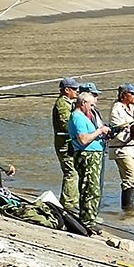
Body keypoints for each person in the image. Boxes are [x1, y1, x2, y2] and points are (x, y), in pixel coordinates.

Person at [68, 90, 111, 235]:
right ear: (83, 103)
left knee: (94, 189)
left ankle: (89, 219)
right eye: (91, 105)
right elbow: (83, 139)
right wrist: (99, 131)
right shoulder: (78, 117)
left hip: (94, 155)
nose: (92, 108)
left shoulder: (85, 117)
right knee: (89, 189)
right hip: (87, 156)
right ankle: (87, 221)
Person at [108, 83, 134, 212]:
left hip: (133, 149)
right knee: (130, 178)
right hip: (121, 149)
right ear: (124, 95)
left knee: (133, 178)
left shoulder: (133, 109)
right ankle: (127, 208)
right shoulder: (116, 109)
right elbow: (117, 132)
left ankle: (128, 208)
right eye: (132, 93)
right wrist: (132, 131)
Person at [52, 77, 81, 215]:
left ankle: (71, 201)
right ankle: (68, 204)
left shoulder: (69, 103)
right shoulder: (63, 104)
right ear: (66, 90)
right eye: (74, 89)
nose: (77, 91)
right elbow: (65, 124)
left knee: (74, 172)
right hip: (64, 144)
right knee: (71, 172)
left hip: (69, 144)